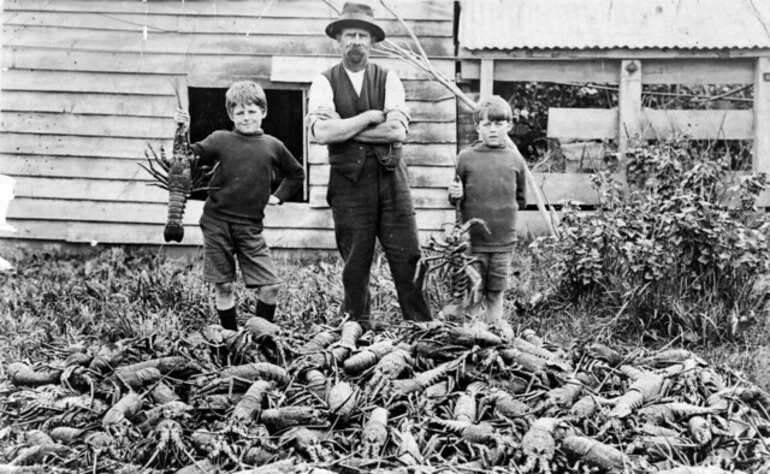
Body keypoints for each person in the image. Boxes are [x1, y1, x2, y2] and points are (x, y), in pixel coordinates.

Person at [305, 2, 432, 329]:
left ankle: (420, 329)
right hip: (348, 185)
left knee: (408, 257)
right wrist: (368, 117)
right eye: (350, 34)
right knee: (355, 262)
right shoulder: (323, 81)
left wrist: (345, 128)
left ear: (373, 41)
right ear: (338, 39)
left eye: (363, 34)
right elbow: (321, 133)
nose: (356, 41)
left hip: (391, 181)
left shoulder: (389, 78)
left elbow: (397, 131)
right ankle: (355, 331)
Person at [175, 81, 305, 330]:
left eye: (252, 111)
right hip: (217, 223)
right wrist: (183, 130)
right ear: (231, 115)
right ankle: (229, 336)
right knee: (223, 285)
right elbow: (186, 159)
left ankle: (261, 334)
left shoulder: (273, 145)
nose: (246, 118)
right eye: (240, 113)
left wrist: (277, 196)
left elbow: (296, 174)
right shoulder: (220, 140)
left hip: (250, 227)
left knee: (270, 286)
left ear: (264, 112)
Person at [448, 96, 527, 328]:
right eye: (486, 124)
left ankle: (494, 333)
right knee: (473, 291)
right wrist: (455, 193)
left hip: (503, 241)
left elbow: (521, 200)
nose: (493, 130)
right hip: (473, 242)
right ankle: (473, 333)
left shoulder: (515, 159)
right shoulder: (465, 158)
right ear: (477, 127)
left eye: (499, 124)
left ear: (509, 126)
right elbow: (454, 198)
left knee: (496, 291)